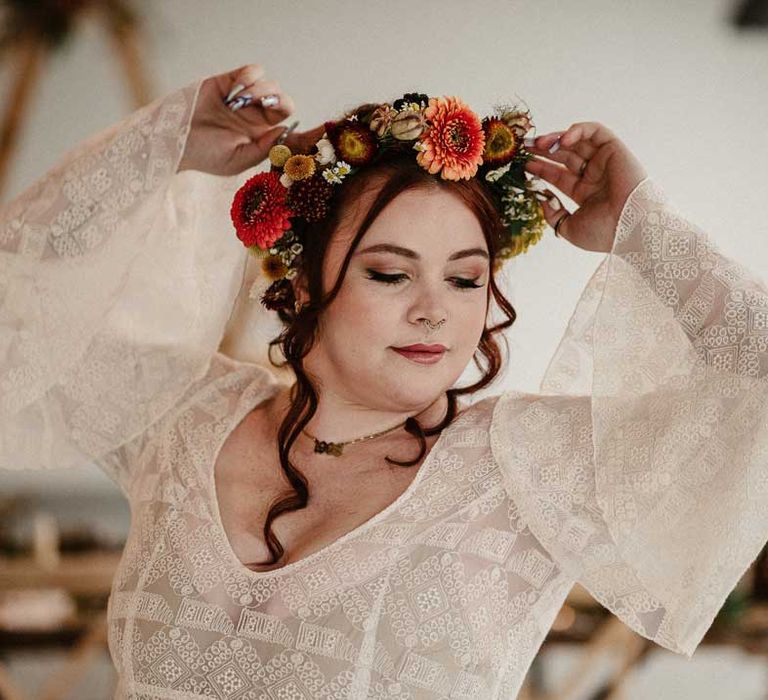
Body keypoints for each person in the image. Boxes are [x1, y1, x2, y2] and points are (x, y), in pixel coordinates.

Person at [1, 63, 766, 699]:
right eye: (392, 273)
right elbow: (16, 308)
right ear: (302, 286)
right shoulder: (182, 414)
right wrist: (159, 148)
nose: (435, 311)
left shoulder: (526, 469)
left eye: (467, 281)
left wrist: (643, 226)